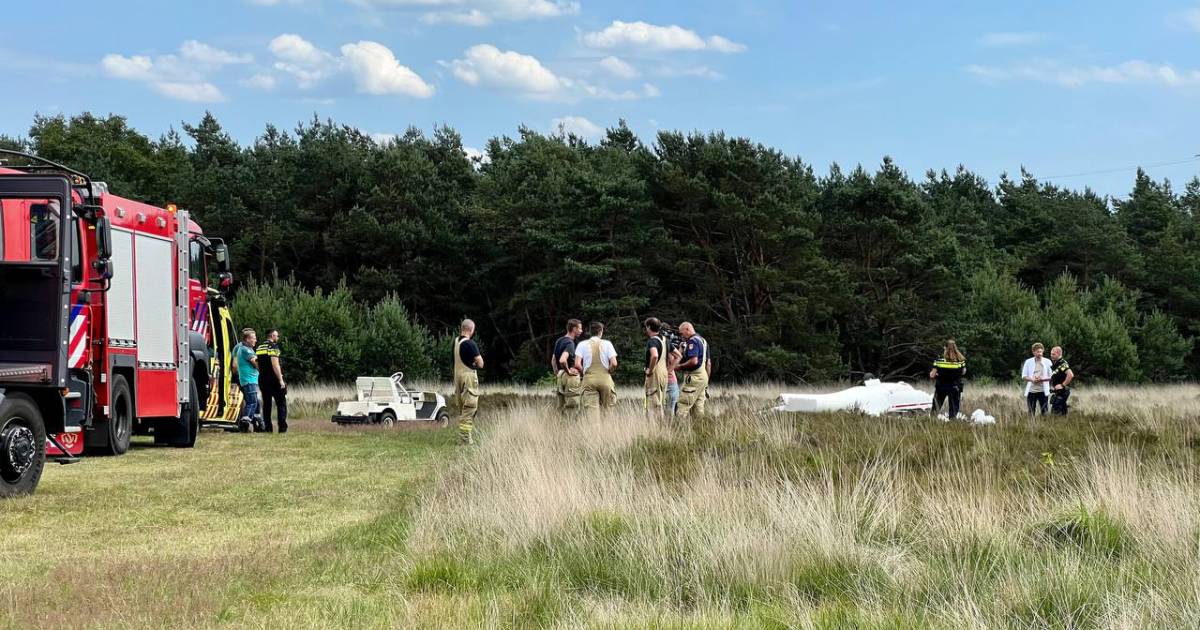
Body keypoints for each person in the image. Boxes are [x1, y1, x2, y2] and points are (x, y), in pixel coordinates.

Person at [575, 322, 618, 417]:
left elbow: (577, 364)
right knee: (608, 412)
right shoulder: (607, 344)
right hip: (605, 380)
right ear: (600, 331)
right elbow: (614, 363)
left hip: (589, 380)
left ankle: (594, 431)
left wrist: (585, 373)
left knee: (591, 415)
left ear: (590, 331)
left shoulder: (582, 344)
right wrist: (609, 371)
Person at [454, 319, 484, 445]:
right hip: (468, 378)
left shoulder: (456, 342)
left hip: (457, 377)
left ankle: (466, 437)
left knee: (463, 409)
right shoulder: (470, 344)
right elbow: (481, 363)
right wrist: (474, 363)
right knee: (470, 408)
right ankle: (465, 440)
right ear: (471, 330)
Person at [675, 322, 710, 419]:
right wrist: (706, 381)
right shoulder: (703, 341)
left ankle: (678, 429)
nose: (681, 336)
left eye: (682, 333)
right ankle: (700, 428)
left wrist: (680, 366)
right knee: (698, 408)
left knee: (682, 405)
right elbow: (708, 363)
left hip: (694, 377)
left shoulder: (692, 341)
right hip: (703, 377)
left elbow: (694, 361)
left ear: (687, 329)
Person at [256, 329, 288, 434]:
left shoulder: (259, 347)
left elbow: (257, 363)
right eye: (277, 336)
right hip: (274, 379)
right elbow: (275, 364)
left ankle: (268, 428)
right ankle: (282, 428)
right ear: (272, 336)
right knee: (281, 403)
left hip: (263, 379)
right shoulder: (273, 347)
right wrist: (281, 380)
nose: (278, 338)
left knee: (267, 404)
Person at [929, 339, 967, 420]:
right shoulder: (960, 360)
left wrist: (937, 374)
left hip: (941, 387)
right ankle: (952, 426)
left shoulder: (939, 360)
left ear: (944, 348)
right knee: (953, 412)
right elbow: (963, 372)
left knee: (936, 407)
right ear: (955, 347)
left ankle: (931, 423)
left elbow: (932, 375)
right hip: (955, 387)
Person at [552, 319, 583, 415]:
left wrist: (557, 373)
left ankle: (560, 427)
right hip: (570, 377)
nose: (581, 331)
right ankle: (571, 428)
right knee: (572, 406)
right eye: (580, 328)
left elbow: (553, 360)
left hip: (560, 376)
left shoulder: (559, 340)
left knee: (560, 406)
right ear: (574, 329)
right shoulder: (570, 343)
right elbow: (562, 360)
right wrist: (568, 372)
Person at [234, 328, 262, 432]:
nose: (255, 340)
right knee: (252, 402)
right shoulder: (246, 350)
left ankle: (258, 424)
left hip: (251, 380)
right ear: (247, 339)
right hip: (249, 380)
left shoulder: (245, 349)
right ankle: (245, 423)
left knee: (256, 403)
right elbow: (256, 363)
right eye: (253, 338)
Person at [642, 317, 670, 419]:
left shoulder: (652, 341)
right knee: (661, 402)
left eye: (646, 327)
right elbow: (677, 355)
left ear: (649, 327)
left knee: (653, 404)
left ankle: (654, 429)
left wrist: (650, 370)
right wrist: (670, 369)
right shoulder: (665, 340)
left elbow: (654, 355)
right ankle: (661, 425)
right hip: (664, 373)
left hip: (655, 374)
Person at [1022, 342, 1053, 416]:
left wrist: (1042, 379)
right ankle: (1032, 426)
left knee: (1045, 411)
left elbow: (1052, 376)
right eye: (1037, 352)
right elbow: (1024, 376)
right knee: (1031, 412)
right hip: (1031, 390)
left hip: (1043, 390)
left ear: (1043, 351)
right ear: (1033, 352)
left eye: (1041, 351)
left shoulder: (1048, 362)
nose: (1040, 353)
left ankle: (1044, 425)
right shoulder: (1028, 362)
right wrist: (1032, 379)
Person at [1049, 346, 1075, 415]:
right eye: (1051, 354)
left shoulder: (1062, 363)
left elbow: (1070, 375)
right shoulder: (1056, 363)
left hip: (1063, 391)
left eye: (1053, 354)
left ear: (1059, 354)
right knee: (1062, 412)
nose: (1051, 356)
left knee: (1055, 413)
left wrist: (1062, 385)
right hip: (1058, 391)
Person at [666, 342, 682, 416]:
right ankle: (671, 424)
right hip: (670, 380)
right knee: (672, 407)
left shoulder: (657, 350)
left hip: (661, 380)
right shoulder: (668, 352)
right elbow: (674, 363)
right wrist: (680, 350)